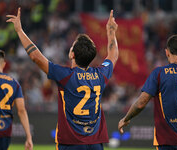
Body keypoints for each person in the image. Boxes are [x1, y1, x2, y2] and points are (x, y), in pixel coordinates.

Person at [6, 8, 118, 150]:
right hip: (95, 143)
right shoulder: (100, 74)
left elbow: (35, 57)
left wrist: (19, 31)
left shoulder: (65, 75)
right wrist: (111, 31)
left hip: (70, 143)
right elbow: (113, 55)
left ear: (72, 55)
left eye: (72, 47)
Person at [118, 35, 177, 150]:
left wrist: (126, 118)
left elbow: (142, 102)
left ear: (167, 52)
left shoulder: (159, 73)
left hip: (168, 141)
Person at [0, 48, 33, 150]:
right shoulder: (14, 83)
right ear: (4, 64)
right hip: (5, 132)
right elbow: (21, 110)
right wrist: (29, 137)